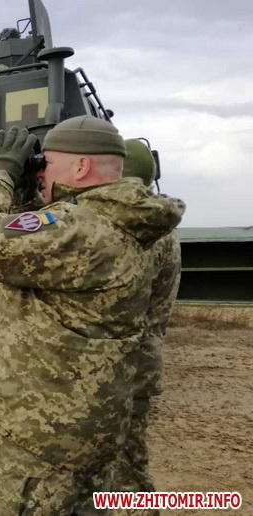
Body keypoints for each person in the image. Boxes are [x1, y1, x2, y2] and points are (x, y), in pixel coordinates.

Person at [0, 118, 185, 513]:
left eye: (46, 163)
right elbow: (35, 244)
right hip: (91, 413)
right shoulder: (129, 221)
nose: (40, 171)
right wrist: (29, 191)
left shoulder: (81, 227)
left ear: (81, 167)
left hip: (42, 428)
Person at [113, 139, 184, 497]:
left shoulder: (130, 226)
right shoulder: (160, 224)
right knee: (128, 455)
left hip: (117, 364)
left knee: (121, 463)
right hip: (142, 358)